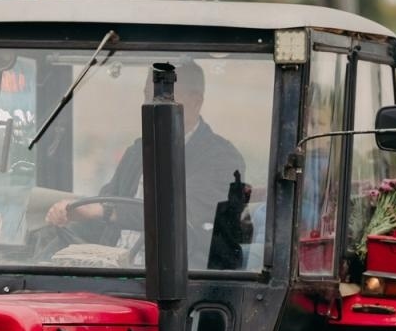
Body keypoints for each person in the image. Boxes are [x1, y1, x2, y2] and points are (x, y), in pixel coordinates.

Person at [44, 60, 248, 268]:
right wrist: (73, 215)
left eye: (162, 98)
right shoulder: (138, 151)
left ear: (195, 102)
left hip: (180, 280)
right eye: (146, 96)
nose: (150, 106)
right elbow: (105, 203)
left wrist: (105, 211)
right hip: (114, 272)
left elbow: (180, 213)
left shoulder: (222, 160)